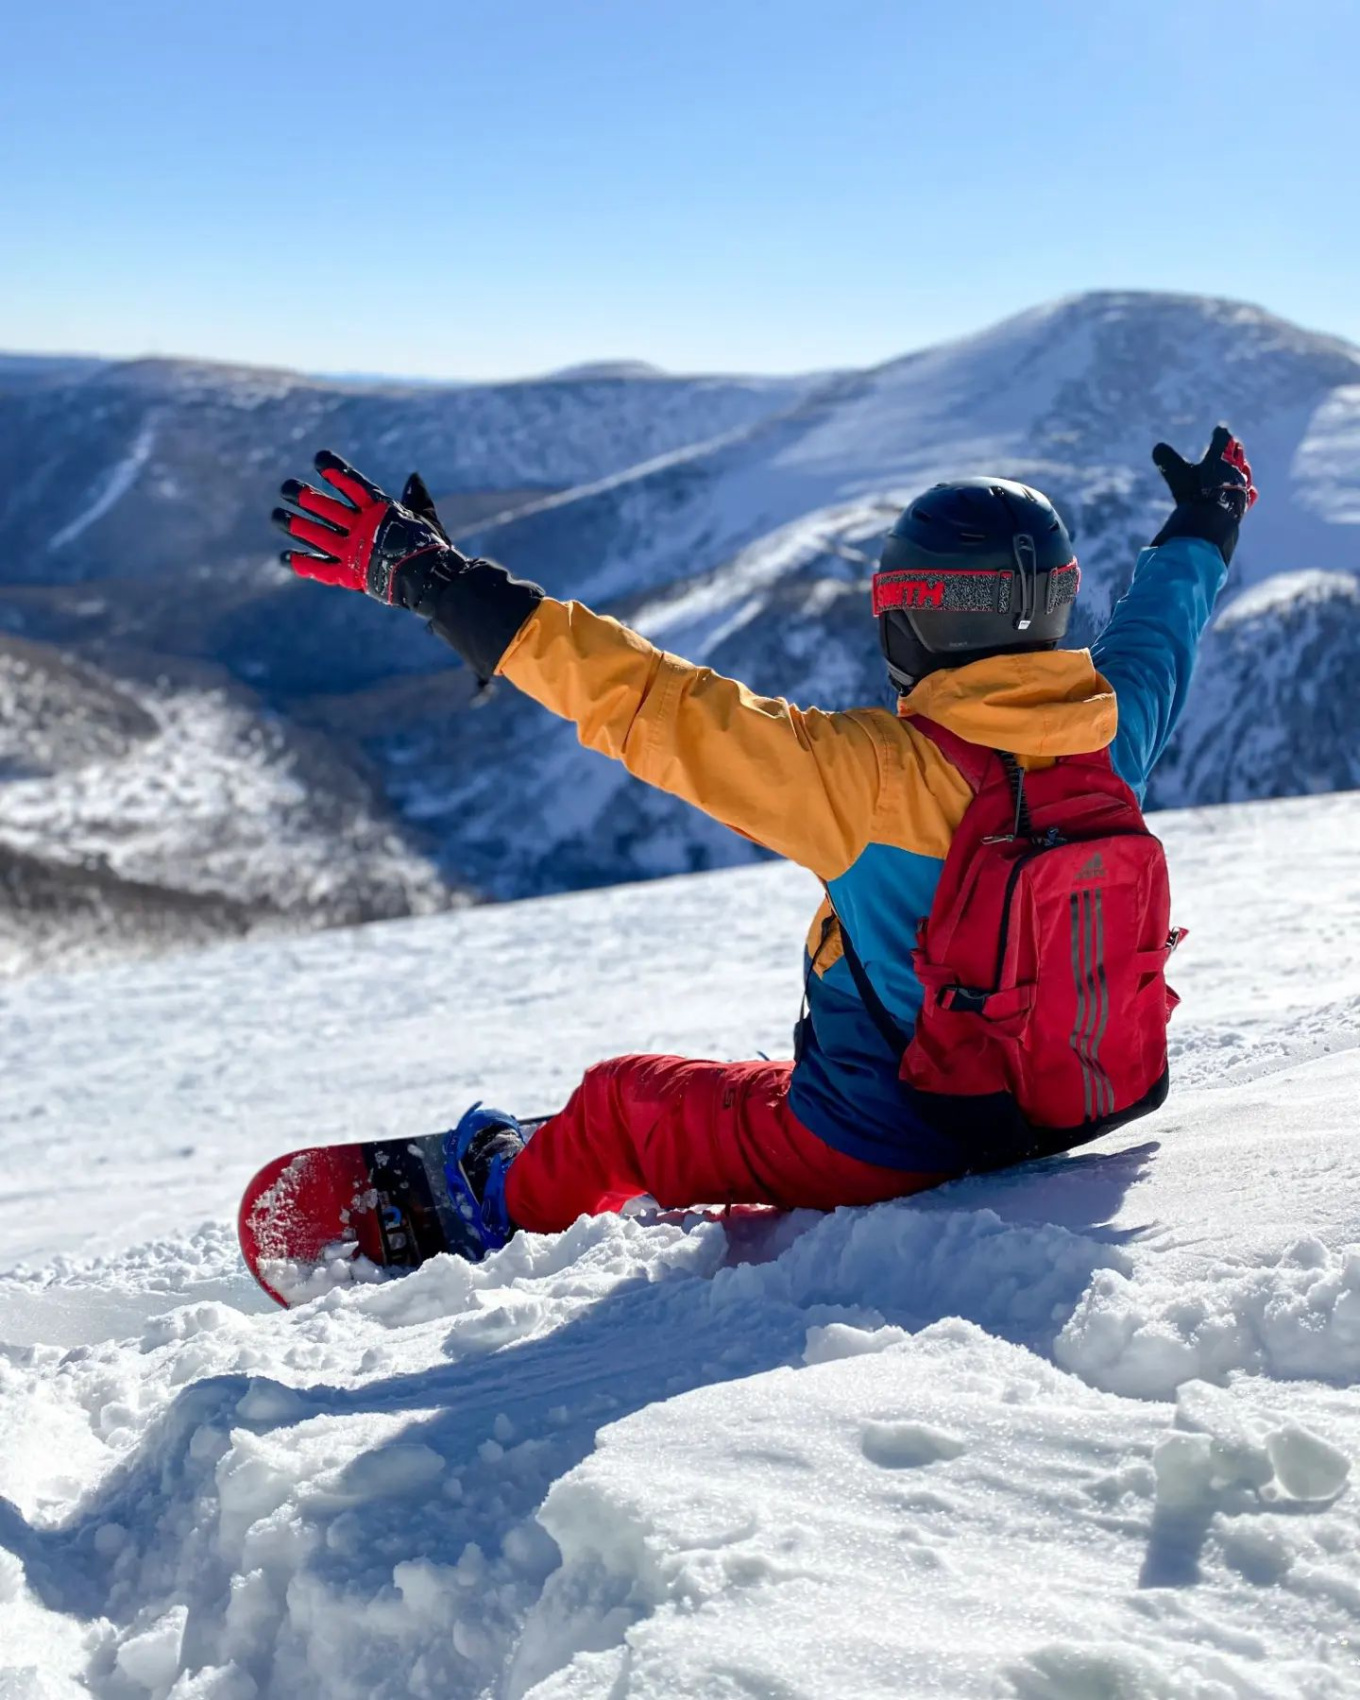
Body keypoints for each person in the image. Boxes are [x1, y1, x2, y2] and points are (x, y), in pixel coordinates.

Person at [272, 427, 1256, 1256]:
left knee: (622, 1099)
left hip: (892, 1139)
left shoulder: (865, 774)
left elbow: (645, 697)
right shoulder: (1107, 734)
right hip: (1067, 1101)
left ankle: (500, 1204)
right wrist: (1210, 519)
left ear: (905, 618)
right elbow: (1164, 627)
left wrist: (437, 582)